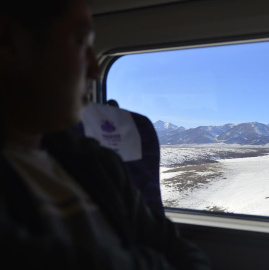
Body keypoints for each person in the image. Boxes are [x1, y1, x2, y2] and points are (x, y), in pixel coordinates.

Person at [0, 1, 211, 269]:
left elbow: (182, 251)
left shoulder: (97, 163)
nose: (95, 70)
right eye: (80, 42)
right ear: (7, 41)